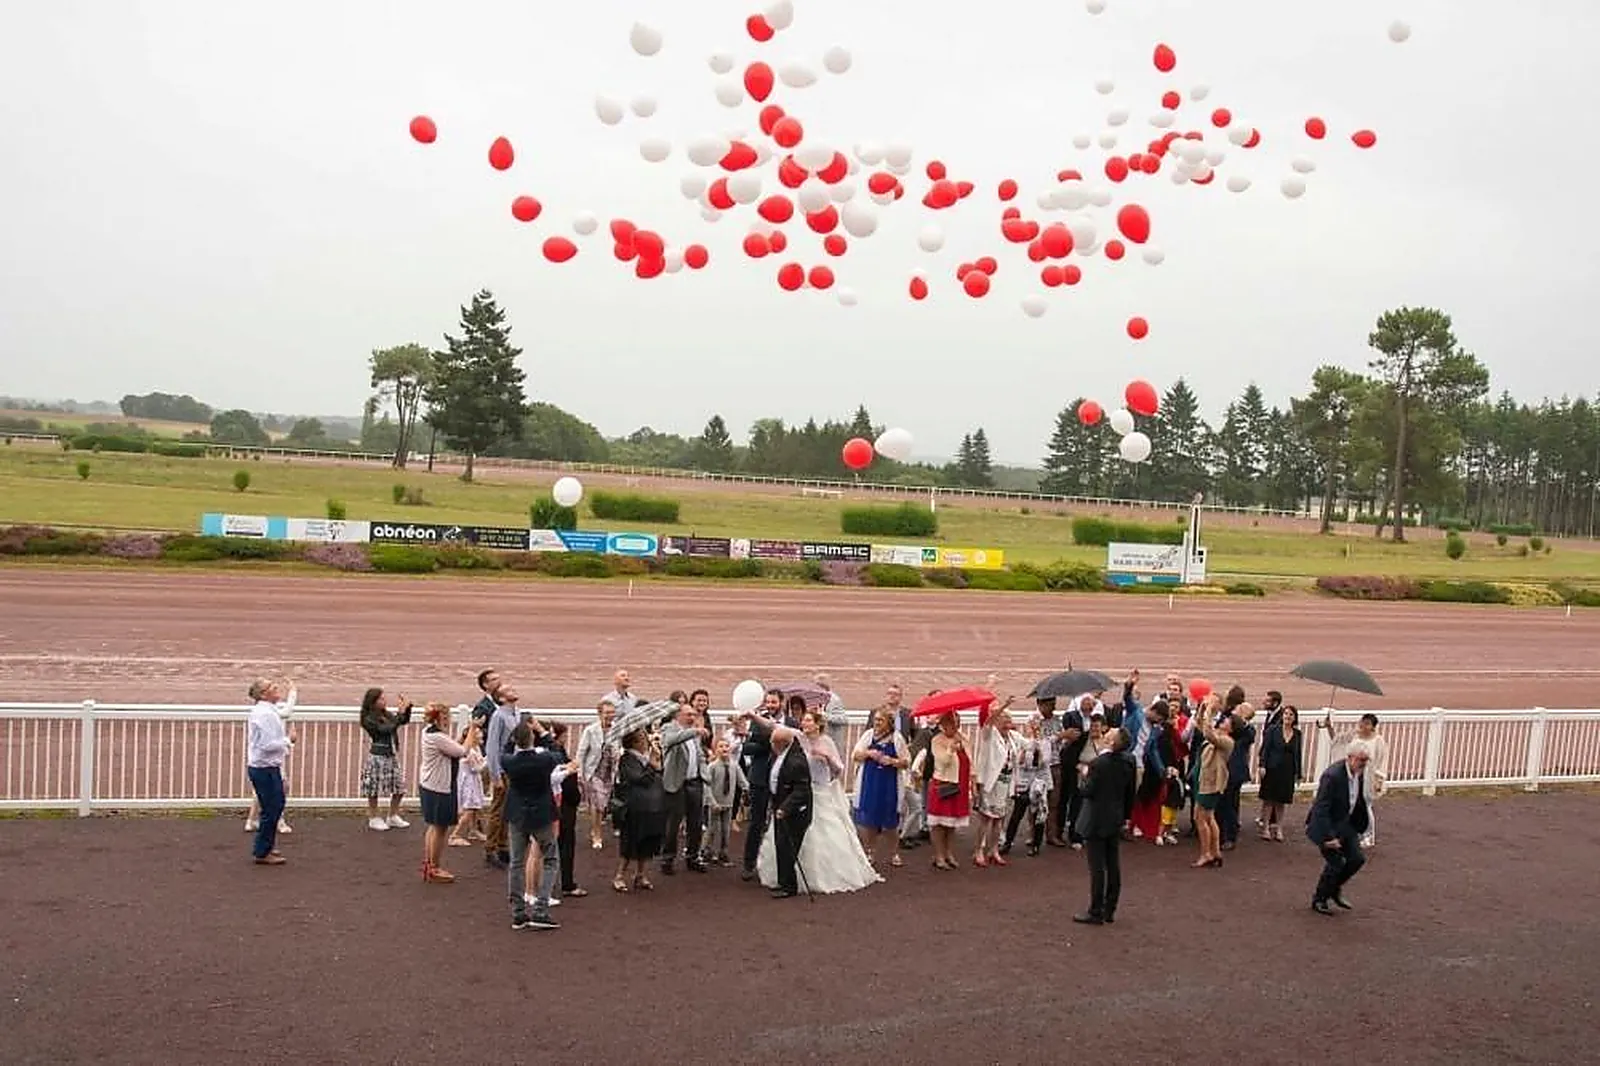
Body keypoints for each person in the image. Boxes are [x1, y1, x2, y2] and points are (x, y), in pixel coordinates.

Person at [758, 710, 879, 894]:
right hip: (798, 792)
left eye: (808, 721)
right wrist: (751, 715)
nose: (804, 724)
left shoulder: (826, 742)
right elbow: (774, 727)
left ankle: (824, 874)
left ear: (817, 724)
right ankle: (787, 876)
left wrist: (826, 758)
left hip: (819, 790)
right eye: (803, 720)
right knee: (789, 835)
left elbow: (838, 770)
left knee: (824, 831)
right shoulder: (797, 737)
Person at [502, 720, 571, 930]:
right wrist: (543, 733)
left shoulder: (509, 761)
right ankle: (541, 909)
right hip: (541, 815)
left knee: (516, 863)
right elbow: (559, 752)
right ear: (532, 739)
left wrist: (512, 736)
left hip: (517, 815)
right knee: (551, 859)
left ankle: (518, 912)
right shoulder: (544, 759)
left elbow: (504, 749)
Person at [1073, 727, 1138, 925]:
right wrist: (1126, 816)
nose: (1105, 733)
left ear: (1111, 742)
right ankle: (1109, 909)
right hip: (1115, 817)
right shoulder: (1129, 761)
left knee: (1097, 868)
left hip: (1096, 819)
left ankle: (1096, 911)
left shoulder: (1099, 764)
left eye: (1109, 733)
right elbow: (1130, 791)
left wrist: (1084, 774)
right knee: (1113, 865)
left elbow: (1087, 791)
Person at [1306, 742, 1373, 916]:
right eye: (1361, 760)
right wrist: (1328, 837)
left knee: (1357, 859)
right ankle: (1319, 899)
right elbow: (1321, 808)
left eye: (1366, 761)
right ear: (1349, 757)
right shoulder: (1332, 776)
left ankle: (1334, 888)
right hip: (1326, 826)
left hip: (1346, 824)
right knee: (1336, 863)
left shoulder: (1359, 773)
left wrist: (1360, 826)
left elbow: (1357, 800)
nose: (1363, 764)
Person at [418, 702, 474, 884]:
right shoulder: (437, 737)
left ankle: (429, 863)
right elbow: (462, 751)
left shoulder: (428, 732)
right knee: (440, 828)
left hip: (429, 784)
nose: (448, 719)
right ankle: (434, 867)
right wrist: (473, 729)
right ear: (439, 718)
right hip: (439, 787)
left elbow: (452, 748)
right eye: (446, 716)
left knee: (433, 826)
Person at [245, 678, 295, 866]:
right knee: (271, 809)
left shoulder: (268, 710)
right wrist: (288, 741)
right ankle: (262, 851)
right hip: (263, 767)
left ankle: (266, 846)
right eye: (273, 687)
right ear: (264, 694)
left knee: (275, 805)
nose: (277, 689)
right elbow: (266, 745)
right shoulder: (264, 714)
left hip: (267, 766)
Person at [1319, 712, 1388, 847]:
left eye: (1367, 723)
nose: (1363, 725)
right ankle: (1350, 833)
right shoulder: (1353, 735)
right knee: (1350, 804)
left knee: (1366, 805)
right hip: (1353, 775)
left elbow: (1381, 761)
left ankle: (1368, 835)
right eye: (1363, 722)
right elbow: (1337, 742)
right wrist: (1329, 727)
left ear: (1373, 727)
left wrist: (1378, 779)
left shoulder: (1378, 741)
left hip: (1368, 776)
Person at [739, 688, 787, 881]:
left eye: (774, 702)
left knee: (781, 822)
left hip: (783, 780)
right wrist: (769, 743)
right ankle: (749, 864)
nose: (770, 705)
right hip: (760, 778)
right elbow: (747, 748)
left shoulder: (790, 723)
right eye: (768, 702)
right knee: (756, 823)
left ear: (781, 703)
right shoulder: (758, 722)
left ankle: (777, 863)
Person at [851, 708, 907, 870]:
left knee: (890, 821)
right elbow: (855, 755)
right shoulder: (868, 735)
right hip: (870, 780)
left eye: (880, 720)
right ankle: (870, 851)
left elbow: (906, 762)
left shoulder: (897, 738)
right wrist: (869, 753)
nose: (877, 723)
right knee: (870, 819)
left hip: (889, 783)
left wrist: (892, 761)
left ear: (889, 723)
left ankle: (894, 852)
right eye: (875, 720)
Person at [764, 722, 815, 899]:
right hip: (779, 807)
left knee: (788, 848)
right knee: (780, 845)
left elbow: (801, 790)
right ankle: (783, 881)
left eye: (773, 743)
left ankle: (789, 886)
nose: (771, 746)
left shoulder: (796, 762)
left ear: (782, 744)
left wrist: (785, 808)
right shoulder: (779, 755)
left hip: (795, 813)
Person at [612, 727, 666, 893]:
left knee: (647, 841)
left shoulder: (645, 758)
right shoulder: (627, 759)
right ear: (635, 742)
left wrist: (655, 761)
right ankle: (619, 876)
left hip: (651, 806)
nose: (647, 741)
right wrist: (652, 765)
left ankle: (640, 874)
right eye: (643, 738)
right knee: (630, 842)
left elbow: (657, 774)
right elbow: (639, 779)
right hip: (634, 807)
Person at [660, 701, 710, 876]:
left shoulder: (693, 733)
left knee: (696, 823)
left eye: (693, 715)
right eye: (688, 714)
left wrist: (705, 775)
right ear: (678, 715)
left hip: (695, 782)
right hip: (677, 783)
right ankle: (667, 858)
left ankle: (693, 856)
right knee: (673, 824)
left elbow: (699, 755)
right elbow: (670, 741)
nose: (692, 718)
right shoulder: (669, 728)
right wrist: (694, 731)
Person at [921, 711, 971, 871]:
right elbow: (943, 762)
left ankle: (949, 852)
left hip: (959, 784)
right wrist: (951, 748)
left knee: (951, 823)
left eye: (957, 723)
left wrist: (973, 781)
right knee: (939, 823)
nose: (955, 726)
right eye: (951, 723)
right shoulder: (937, 740)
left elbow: (969, 760)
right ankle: (939, 855)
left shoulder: (963, 738)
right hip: (943, 784)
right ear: (943, 724)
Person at [970, 699, 1018, 867]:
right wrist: (1003, 706)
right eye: (1003, 719)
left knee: (1000, 819)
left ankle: (994, 849)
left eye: (1008, 719)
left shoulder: (1012, 738)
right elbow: (988, 721)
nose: (1006, 722)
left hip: (1005, 782)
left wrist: (1036, 733)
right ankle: (978, 851)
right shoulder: (989, 734)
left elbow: (1029, 745)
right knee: (986, 818)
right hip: (991, 782)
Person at [358, 688, 413, 832]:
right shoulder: (368, 718)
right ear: (373, 702)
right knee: (373, 789)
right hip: (377, 756)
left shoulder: (386, 714)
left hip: (391, 755)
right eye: (381, 699)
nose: (384, 701)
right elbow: (385, 729)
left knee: (399, 787)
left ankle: (393, 815)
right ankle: (373, 817)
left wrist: (406, 709)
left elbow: (401, 721)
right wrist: (399, 715)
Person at [1192, 699, 1236, 869]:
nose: (1223, 720)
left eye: (1226, 721)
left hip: (1210, 783)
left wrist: (1210, 711)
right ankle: (1215, 851)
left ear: (1231, 728)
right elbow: (1200, 726)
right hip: (1204, 779)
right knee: (1209, 817)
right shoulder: (1220, 735)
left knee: (1200, 817)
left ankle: (1206, 854)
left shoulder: (1227, 741)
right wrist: (1203, 710)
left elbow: (1209, 734)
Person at [1000, 715, 1050, 857]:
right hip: (1024, 782)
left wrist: (1038, 750)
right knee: (1017, 814)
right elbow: (1018, 761)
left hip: (1038, 783)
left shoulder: (1045, 743)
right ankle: (1008, 843)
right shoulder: (1023, 742)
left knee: (1038, 815)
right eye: (1032, 726)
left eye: (1037, 726)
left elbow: (1044, 762)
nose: (1034, 729)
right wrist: (1024, 753)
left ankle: (1036, 844)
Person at [482, 685, 520, 870]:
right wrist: (495, 774)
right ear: (502, 698)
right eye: (509, 690)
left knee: (508, 809)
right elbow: (492, 746)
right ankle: (491, 848)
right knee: (498, 810)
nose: (514, 690)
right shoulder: (499, 716)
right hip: (503, 769)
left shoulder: (517, 713)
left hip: (513, 768)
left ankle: (503, 845)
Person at [1255, 705, 1303, 841]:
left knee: (1281, 801)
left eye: (1291, 715)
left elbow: (1298, 754)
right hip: (1272, 768)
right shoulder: (1272, 730)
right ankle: (1265, 828)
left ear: (1295, 718)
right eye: (1286, 714)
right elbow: (1265, 749)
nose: (1288, 717)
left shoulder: (1297, 734)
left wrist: (1298, 773)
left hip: (1287, 770)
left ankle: (1279, 828)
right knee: (1269, 799)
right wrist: (1262, 765)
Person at [576, 699, 618, 852]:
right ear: (600, 714)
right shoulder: (590, 730)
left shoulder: (616, 730)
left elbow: (619, 749)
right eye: (607, 712)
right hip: (593, 771)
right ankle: (597, 834)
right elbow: (581, 752)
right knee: (597, 804)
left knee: (602, 804)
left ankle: (595, 828)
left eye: (612, 712)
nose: (610, 716)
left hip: (609, 772)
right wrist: (580, 772)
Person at [1218, 702, 1256, 851]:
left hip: (1234, 773)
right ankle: (1222, 835)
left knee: (1229, 805)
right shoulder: (1228, 725)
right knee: (1223, 804)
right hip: (1225, 770)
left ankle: (1229, 837)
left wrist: (1243, 718)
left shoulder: (1246, 731)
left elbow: (1249, 734)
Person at [701, 738, 746, 866]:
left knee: (726, 830)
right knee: (711, 829)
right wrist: (712, 802)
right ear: (716, 750)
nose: (724, 748)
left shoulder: (734, 766)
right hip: (715, 803)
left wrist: (747, 789)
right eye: (721, 746)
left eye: (726, 746)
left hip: (728, 803)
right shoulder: (712, 767)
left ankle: (723, 853)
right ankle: (705, 851)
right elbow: (707, 786)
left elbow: (742, 781)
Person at [449, 721, 488, 846]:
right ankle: (455, 835)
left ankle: (473, 830)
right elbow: (476, 768)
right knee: (470, 809)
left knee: (475, 808)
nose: (481, 735)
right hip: (469, 782)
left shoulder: (476, 748)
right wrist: (489, 760)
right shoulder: (470, 752)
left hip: (474, 781)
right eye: (478, 733)